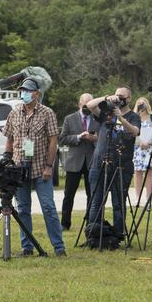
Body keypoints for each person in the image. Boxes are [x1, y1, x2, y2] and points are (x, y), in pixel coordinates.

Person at [2, 78, 66, 256]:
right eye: (22, 91)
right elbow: (9, 138)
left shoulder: (47, 113)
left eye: (28, 91)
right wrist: (7, 158)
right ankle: (27, 247)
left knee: (48, 207)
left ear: (36, 93)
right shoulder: (14, 113)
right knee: (22, 208)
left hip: (40, 168)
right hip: (19, 169)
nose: (24, 94)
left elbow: (53, 141)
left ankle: (59, 247)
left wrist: (48, 166)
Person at [84, 87, 141, 240]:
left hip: (121, 165)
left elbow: (135, 132)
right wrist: (107, 97)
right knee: (96, 201)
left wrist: (121, 118)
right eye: (117, 95)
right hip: (99, 162)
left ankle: (118, 235)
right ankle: (94, 234)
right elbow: (89, 106)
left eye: (122, 96)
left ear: (129, 99)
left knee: (118, 202)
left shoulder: (133, 116)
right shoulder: (106, 112)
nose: (119, 99)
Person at [58, 93, 96, 231]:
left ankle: (90, 223)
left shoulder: (97, 118)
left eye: (91, 104)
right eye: (85, 104)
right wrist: (78, 137)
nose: (88, 107)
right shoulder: (70, 118)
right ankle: (65, 223)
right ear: (79, 104)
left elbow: (102, 138)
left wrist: (94, 138)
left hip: (91, 161)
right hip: (74, 162)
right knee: (69, 194)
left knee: (91, 194)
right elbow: (62, 139)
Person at [130, 97, 152, 209]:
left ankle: (148, 198)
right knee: (138, 172)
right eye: (139, 104)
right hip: (138, 148)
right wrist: (140, 142)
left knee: (150, 173)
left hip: (150, 148)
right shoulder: (134, 117)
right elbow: (132, 131)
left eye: (143, 104)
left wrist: (149, 142)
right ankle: (137, 198)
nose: (142, 106)